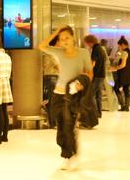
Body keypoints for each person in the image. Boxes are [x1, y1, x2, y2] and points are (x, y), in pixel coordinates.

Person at [38, 26, 93, 170]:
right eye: (61, 39)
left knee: (69, 126)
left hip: (72, 95)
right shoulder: (59, 52)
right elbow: (41, 46)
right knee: (60, 128)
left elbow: (89, 73)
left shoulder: (83, 53)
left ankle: (69, 156)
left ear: (73, 37)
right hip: (58, 94)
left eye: (67, 37)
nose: (64, 41)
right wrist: (56, 32)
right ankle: (67, 153)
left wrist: (82, 84)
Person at [84, 35, 106, 118]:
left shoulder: (95, 49)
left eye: (87, 43)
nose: (87, 45)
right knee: (98, 95)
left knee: (91, 94)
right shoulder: (101, 49)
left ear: (90, 42)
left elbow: (92, 63)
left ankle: (93, 113)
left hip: (97, 75)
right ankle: (98, 113)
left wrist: (87, 71)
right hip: (102, 75)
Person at [110, 36, 130, 111]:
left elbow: (123, 65)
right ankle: (126, 107)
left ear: (123, 44)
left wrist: (114, 68)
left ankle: (123, 105)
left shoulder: (124, 53)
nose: (119, 47)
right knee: (126, 90)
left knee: (116, 88)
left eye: (119, 46)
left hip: (124, 75)